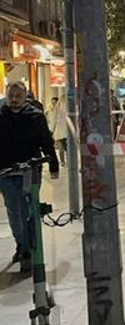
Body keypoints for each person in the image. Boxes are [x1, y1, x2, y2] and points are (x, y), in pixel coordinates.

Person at [0, 81, 59, 272]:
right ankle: (22, 244)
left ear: (25, 96)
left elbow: (46, 142)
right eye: (11, 96)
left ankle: (28, 248)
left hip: (29, 170)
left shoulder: (36, 116)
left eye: (18, 96)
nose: (14, 99)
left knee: (27, 209)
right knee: (13, 210)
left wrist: (53, 164)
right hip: (5, 172)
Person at [45, 97, 68, 172]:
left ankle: (63, 162)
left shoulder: (57, 110)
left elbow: (54, 121)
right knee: (64, 148)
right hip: (64, 131)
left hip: (60, 130)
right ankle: (64, 162)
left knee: (63, 147)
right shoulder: (63, 109)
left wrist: (52, 130)